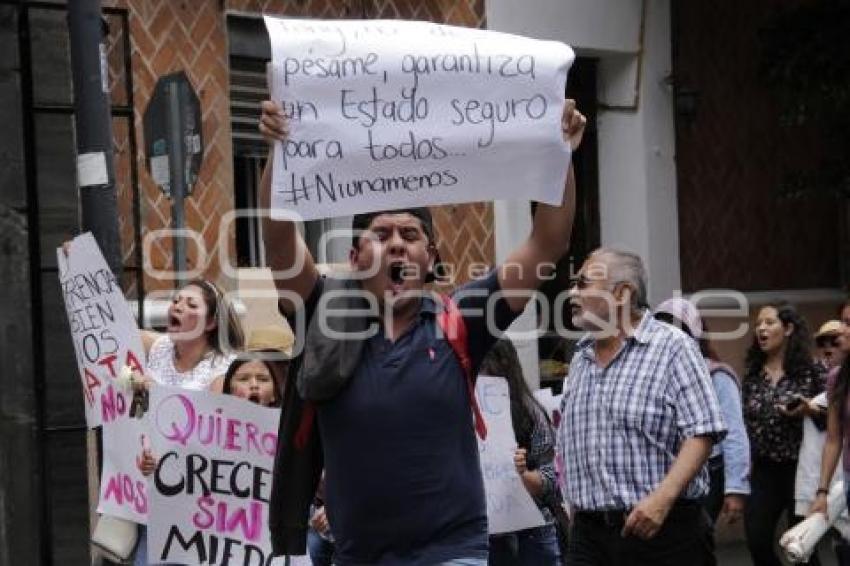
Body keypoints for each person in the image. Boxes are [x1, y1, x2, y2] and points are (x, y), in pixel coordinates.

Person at [259, 97, 586, 564]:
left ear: (430, 258)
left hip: (453, 552)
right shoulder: (322, 313)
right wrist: (278, 154)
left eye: (410, 235)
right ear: (354, 258)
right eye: (381, 234)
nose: (397, 244)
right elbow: (278, 242)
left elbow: (548, 241)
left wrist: (561, 156)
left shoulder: (462, 319)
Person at [556, 248, 726, 566]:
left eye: (583, 283)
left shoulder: (673, 346)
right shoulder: (581, 358)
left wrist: (662, 500)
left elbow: (703, 430)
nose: (572, 292)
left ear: (622, 293)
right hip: (589, 537)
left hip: (663, 533)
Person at [653, 298, 750, 526]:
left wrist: (735, 488)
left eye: (677, 329)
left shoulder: (717, 376)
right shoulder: (651, 375)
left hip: (709, 471)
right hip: (665, 472)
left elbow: (734, 432)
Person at [742, 301, 825, 566]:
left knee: (801, 545)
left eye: (769, 322)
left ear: (788, 329)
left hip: (800, 468)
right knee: (757, 540)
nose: (761, 329)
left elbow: (835, 418)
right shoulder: (753, 376)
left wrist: (808, 410)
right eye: (757, 325)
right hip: (764, 470)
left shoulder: (812, 371)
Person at [480, 339, 563, 565]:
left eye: (485, 363)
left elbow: (552, 480)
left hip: (532, 535)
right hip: (485, 537)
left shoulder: (530, 412)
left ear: (503, 365)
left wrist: (523, 473)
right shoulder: (466, 411)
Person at [809, 300, 850, 565]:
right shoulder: (837, 377)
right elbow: (833, 440)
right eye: (844, 322)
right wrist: (822, 493)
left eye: (849, 324)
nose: (841, 331)